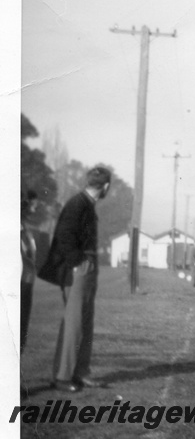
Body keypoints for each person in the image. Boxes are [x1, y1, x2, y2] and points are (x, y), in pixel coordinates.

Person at [39, 166, 111, 393]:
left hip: (88, 266)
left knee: (86, 323)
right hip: (79, 268)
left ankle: (80, 372)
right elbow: (64, 235)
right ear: (106, 186)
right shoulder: (78, 204)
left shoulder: (86, 204)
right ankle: (62, 377)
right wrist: (77, 261)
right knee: (74, 323)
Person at [20, 190, 39, 354]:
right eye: (31, 204)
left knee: (22, 325)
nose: (34, 208)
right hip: (18, 281)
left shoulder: (24, 227)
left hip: (26, 280)